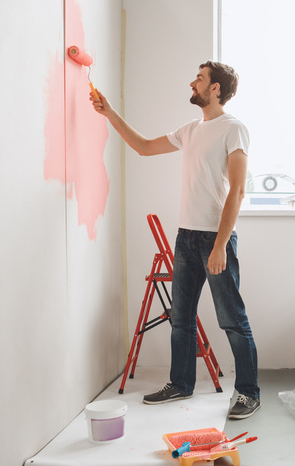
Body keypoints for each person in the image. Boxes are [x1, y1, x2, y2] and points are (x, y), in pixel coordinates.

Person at [91, 61, 260, 419]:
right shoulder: (190, 130)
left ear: (216, 89)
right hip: (185, 236)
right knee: (180, 318)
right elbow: (143, 147)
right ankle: (180, 384)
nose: (192, 82)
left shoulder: (234, 129)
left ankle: (248, 392)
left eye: (199, 78)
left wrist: (219, 245)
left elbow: (238, 190)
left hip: (216, 238)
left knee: (232, 319)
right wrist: (109, 113)